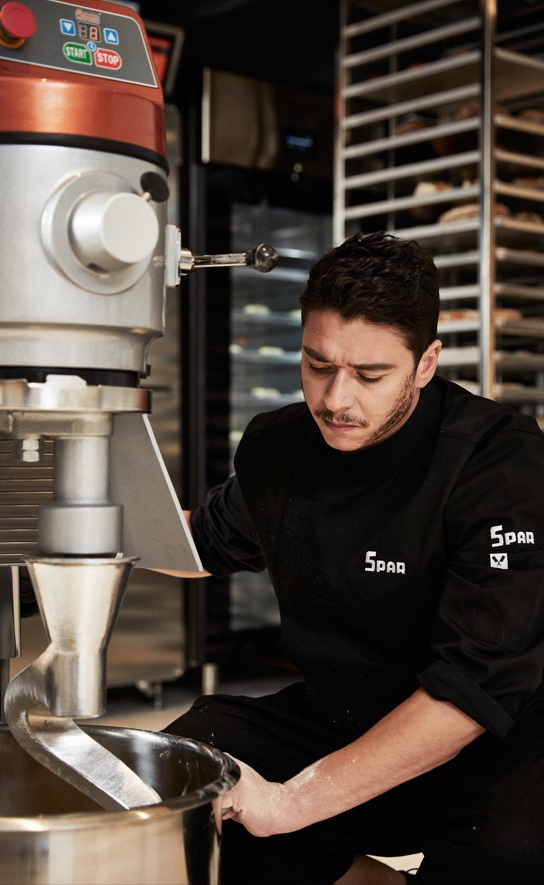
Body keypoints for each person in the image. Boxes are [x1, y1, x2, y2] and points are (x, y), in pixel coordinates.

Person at [163, 231, 544, 885]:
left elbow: (473, 686)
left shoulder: (498, 461)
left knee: (516, 849)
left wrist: (291, 802)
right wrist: (70, 529)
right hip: (340, 717)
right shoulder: (277, 444)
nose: (336, 399)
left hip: (488, 744)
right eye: (317, 364)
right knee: (191, 766)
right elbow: (205, 541)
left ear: (425, 363)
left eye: (370, 375)